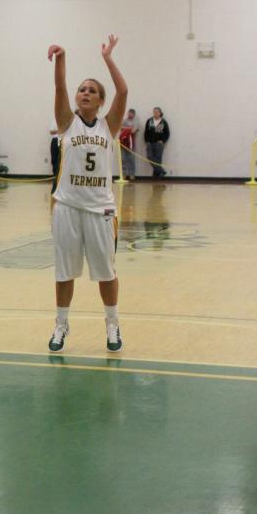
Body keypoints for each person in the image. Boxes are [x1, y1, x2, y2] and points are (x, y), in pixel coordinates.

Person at [47, 35, 128, 354]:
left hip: (101, 210)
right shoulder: (67, 123)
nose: (85, 93)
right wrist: (62, 59)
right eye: (82, 89)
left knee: (106, 272)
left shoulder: (109, 127)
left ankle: (112, 324)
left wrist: (107, 57)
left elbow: (123, 91)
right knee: (64, 271)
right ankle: (61, 324)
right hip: (67, 206)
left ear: (100, 101)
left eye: (92, 91)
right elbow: (59, 90)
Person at [144, 108, 170, 179]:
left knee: (158, 159)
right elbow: (146, 132)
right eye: (154, 112)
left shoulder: (163, 122)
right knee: (149, 157)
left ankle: (156, 175)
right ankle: (161, 170)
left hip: (159, 144)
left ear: (160, 113)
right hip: (150, 143)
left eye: (157, 112)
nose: (155, 113)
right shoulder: (149, 121)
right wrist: (147, 141)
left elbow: (167, 133)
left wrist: (163, 141)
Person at [119, 108, 138, 180]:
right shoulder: (124, 120)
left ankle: (131, 174)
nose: (130, 114)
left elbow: (134, 130)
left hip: (131, 144)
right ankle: (124, 174)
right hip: (123, 142)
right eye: (129, 113)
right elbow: (120, 127)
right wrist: (129, 128)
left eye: (132, 113)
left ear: (134, 114)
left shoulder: (136, 122)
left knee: (131, 159)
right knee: (123, 159)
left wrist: (126, 129)